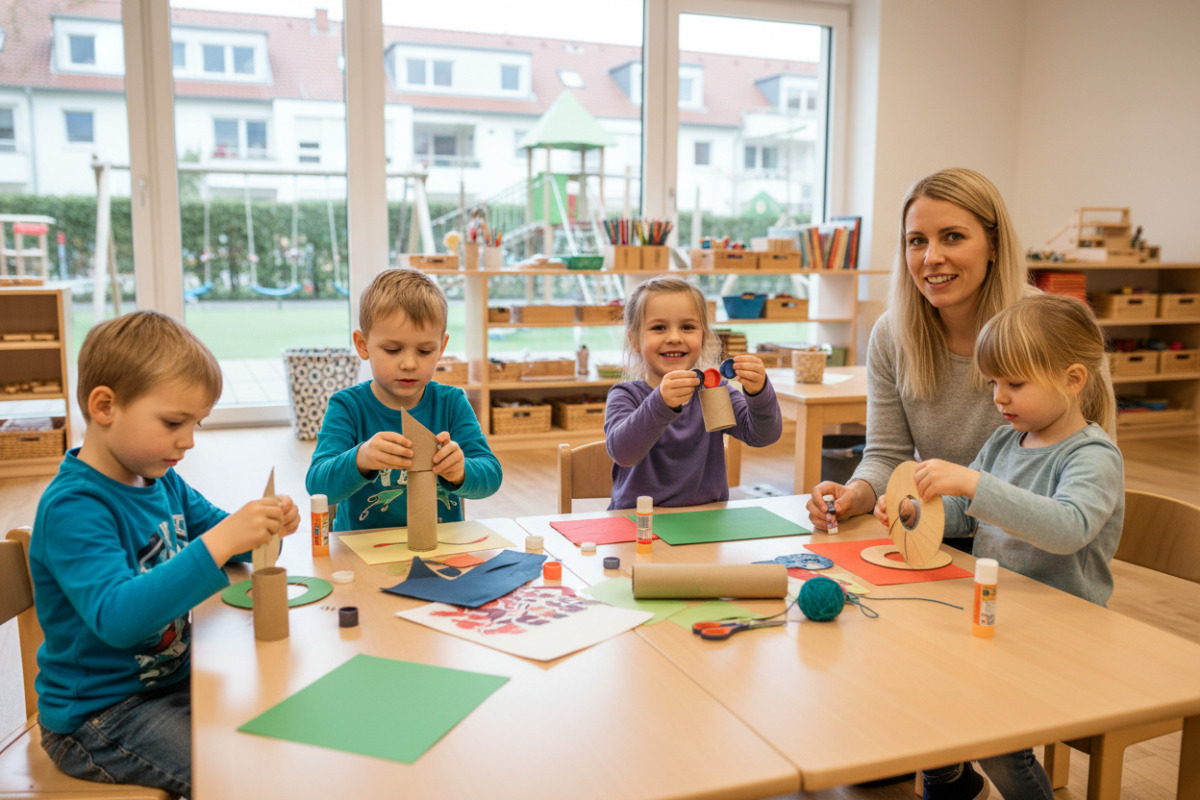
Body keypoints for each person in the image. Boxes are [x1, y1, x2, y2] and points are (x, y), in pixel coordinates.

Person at [30, 311, 300, 797]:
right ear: (105, 406)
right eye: (174, 422)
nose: (188, 441)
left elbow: (226, 532)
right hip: (100, 717)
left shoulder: (159, 478)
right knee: (238, 776)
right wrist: (220, 542)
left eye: (196, 423)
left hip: (172, 683)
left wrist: (267, 527)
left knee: (281, 727)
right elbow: (118, 618)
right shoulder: (73, 507)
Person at [877, 292, 1123, 800]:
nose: (999, 397)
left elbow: (1068, 528)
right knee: (914, 662)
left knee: (991, 725)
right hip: (998, 611)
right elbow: (968, 516)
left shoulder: (1092, 457)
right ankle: (950, 782)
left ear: (1073, 380)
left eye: (1015, 383)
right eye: (993, 382)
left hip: (1063, 629)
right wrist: (917, 514)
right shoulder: (1007, 442)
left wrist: (972, 483)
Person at [807, 167, 1032, 539]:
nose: (931, 257)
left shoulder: (1049, 332)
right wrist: (856, 494)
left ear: (994, 245)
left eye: (953, 237)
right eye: (916, 241)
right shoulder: (892, 335)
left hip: (1024, 549)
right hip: (933, 532)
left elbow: (1080, 471)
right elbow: (887, 456)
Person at [306, 267, 501, 529]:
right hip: (362, 553)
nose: (409, 363)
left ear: (441, 348)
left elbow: (491, 475)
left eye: (424, 350)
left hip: (438, 548)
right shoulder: (347, 407)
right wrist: (361, 458)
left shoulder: (452, 402)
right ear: (363, 345)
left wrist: (462, 471)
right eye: (392, 349)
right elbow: (317, 486)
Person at [605, 276, 782, 509]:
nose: (675, 338)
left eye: (688, 327)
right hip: (641, 523)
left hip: (706, 521)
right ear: (635, 340)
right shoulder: (626, 395)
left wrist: (759, 392)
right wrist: (661, 403)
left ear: (703, 337)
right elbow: (624, 453)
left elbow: (763, 436)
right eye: (659, 328)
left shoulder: (712, 391)